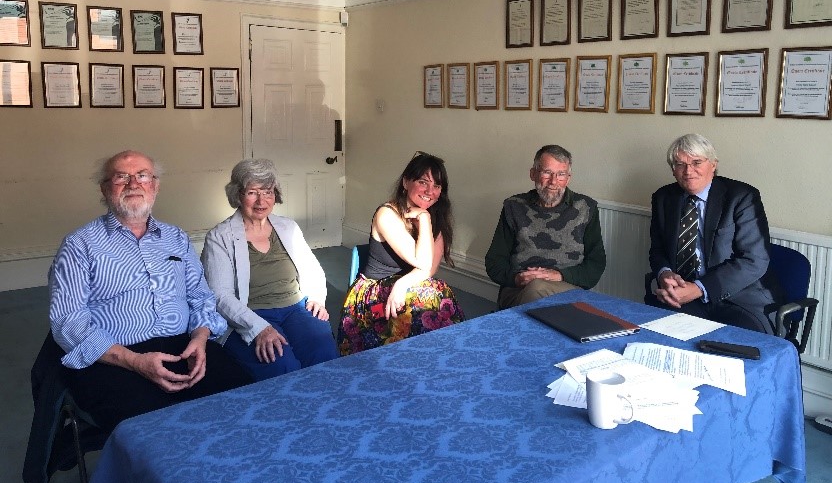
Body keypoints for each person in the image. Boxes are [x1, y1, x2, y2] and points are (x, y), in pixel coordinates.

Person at [49, 150, 251, 433]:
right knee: (158, 434)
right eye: (122, 177)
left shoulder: (176, 238)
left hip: (185, 346)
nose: (134, 183)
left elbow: (200, 296)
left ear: (154, 185)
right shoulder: (78, 245)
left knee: (245, 403)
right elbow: (68, 322)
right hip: (116, 358)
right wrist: (133, 361)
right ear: (105, 189)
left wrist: (201, 338)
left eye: (142, 176)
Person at [201, 159, 339, 381]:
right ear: (237, 195)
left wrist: (316, 297)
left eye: (267, 191)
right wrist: (258, 328)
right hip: (252, 312)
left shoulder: (288, 227)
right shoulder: (220, 237)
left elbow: (311, 268)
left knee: (323, 352)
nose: (261, 201)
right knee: (281, 364)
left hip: (296, 307)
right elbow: (220, 295)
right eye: (252, 192)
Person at [646, 133, 780, 333]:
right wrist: (664, 273)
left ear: (713, 164)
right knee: (656, 338)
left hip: (737, 299)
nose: (688, 171)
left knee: (737, 352)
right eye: (680, 164)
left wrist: (700, 288)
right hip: (683, 295)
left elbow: (755, 260)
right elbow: (657, 250)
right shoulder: (663, 198)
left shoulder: (742, 197)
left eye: (696, 162)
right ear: (673, 170)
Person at [337, 152, 465, 355]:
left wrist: (402, 283)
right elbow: (421, 263)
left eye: (437, 186)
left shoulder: (436, 218)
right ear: (406, 182)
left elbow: (429, 269)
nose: (430, 191)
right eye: (423, 182)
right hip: (374, 294)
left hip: (409, 286)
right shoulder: (387, 214)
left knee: (439, 295)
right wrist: (424, 219)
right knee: (425, 302)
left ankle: (440, 358)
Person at [485, 144, 606, 309]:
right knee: (535, 290)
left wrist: (560, 275)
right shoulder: (513, 206)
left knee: (538, 290)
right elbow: (494, 262)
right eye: (547, 172)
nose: (553, 181)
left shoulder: (586, 208)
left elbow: (596, 264)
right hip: (518, 290)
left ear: (568, 178)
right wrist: (517, 278)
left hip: (567, 288)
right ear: (533, 174)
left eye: (561, 174)